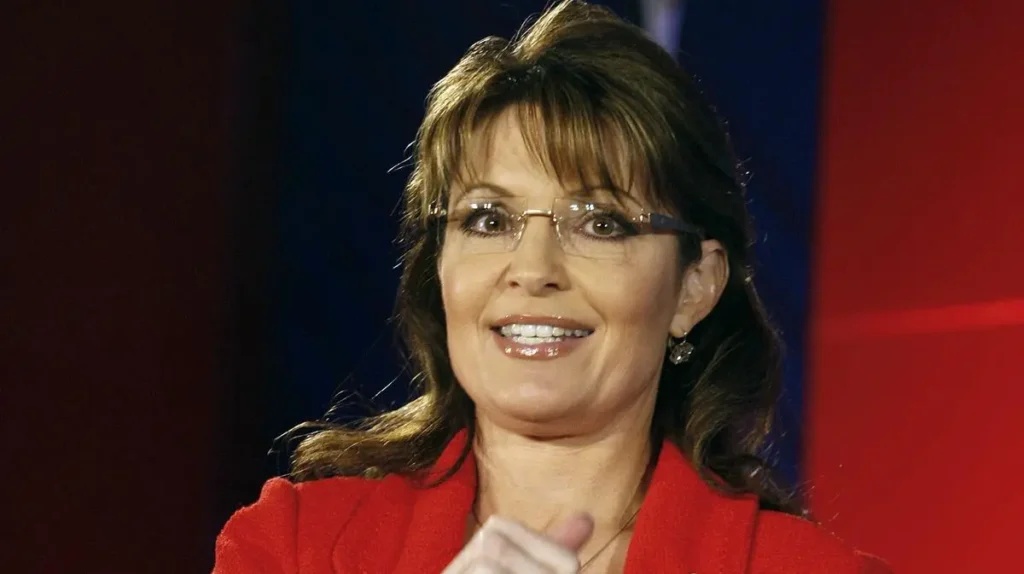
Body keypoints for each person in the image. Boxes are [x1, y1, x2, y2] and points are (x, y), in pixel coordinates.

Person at [213, 1, 889, 572]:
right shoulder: (294, 546)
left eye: (600, 223)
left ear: (694, 287)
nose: (533, 268)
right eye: (488, 219)